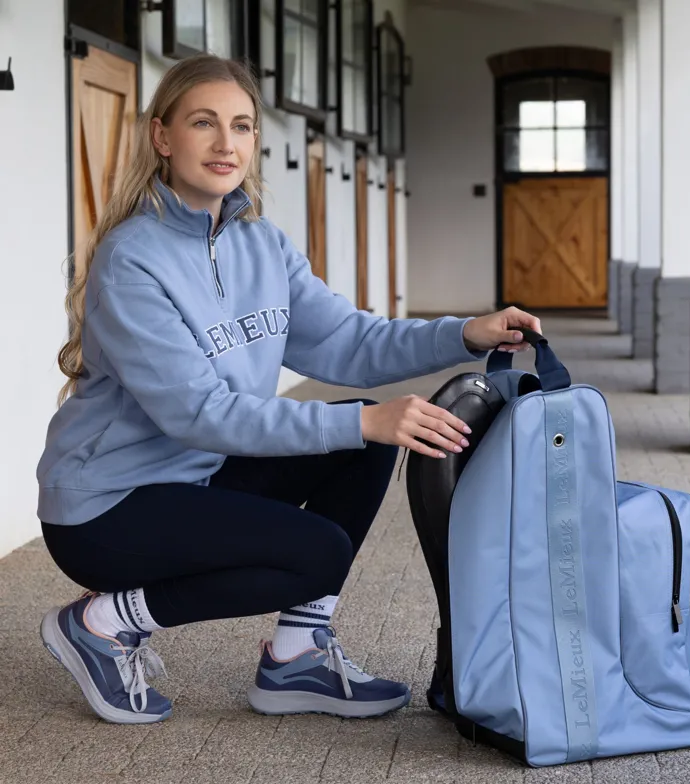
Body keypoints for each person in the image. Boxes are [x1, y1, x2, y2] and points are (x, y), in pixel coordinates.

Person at [36, 53, 541, 725]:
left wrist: (466, 334)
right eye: (204, 123)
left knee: (363, 437)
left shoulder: (261, 245)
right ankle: (102, 623)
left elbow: (351, 343)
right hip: (106, 508)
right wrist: (363, 424)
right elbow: (200, 414)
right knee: (318, 545)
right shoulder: (133, 260)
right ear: (163, 136)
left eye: (242, 126)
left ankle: (296, 658)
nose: (226, 144)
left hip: (197, 477)